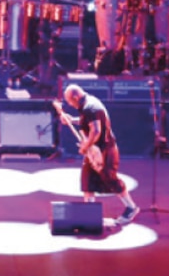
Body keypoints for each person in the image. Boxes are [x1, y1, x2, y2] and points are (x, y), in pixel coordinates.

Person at [56, 83, 139, 225]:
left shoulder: (91, 107)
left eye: (70, 101)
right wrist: (72, 120)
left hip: (104, 150)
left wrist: (85, 146)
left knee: (110, 179)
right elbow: (87, 122)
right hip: (94, 150)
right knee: (88, 181)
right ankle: (89, 214)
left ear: (76, 97)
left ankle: (131, 207)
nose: (70, 104)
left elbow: (96, 131)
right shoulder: (87, 104)